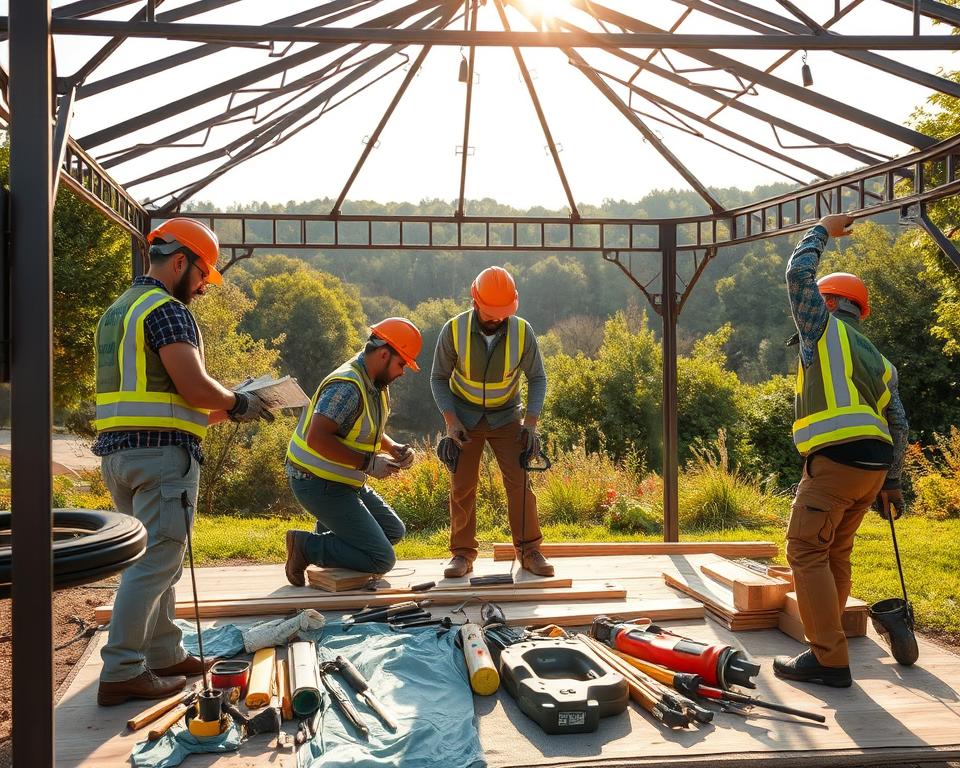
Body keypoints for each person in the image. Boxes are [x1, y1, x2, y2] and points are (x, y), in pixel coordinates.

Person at [94, 218, 274, 706]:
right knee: (156, 561)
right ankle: (124, 669)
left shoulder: (117, 312)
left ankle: (163, 652)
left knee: (157, 560)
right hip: (159, 460)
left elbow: (167, 405)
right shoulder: (168, 312)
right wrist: (239, 402)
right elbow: (193, 388)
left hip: (123, 454)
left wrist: (229, 411)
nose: (202, 287)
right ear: (180, 262)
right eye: (200, 276)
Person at [774, 213, 909, 688]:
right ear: (862, 311)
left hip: (835, 464)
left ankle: (828, 660)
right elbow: (899, 423)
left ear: (830, 302)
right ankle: (831, 645)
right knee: (835, 553)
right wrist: (891, 483)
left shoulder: (822, 328)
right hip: (871, 469)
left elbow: (797, 274)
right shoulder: (881, 361)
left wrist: (822, 231)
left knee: (806, 551)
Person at [431, 266, 553, 579]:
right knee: (462, 487)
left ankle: (530, 551)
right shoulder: (454, 330)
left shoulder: (522, 332)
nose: (498, 318)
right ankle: (462, 555)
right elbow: (438, 378)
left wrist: (531, 423)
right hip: (464, 419)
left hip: (507, 416)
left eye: (503, 313)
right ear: (475, 303)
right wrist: (450, 420)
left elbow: (537, 378)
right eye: (492, 313)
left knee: (520, 484)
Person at [283, 318, 422, 584]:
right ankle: (305, 547)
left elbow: (364, 429)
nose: (403, 372)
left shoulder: (374, 384)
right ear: (384, 354)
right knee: (381, 558)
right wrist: (368, 464)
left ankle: (325, 537)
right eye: (401, 364)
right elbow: (317, 438)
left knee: (392, 530)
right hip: (316, 482)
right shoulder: (347, 386)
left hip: (342, 480)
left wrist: (393, 448)